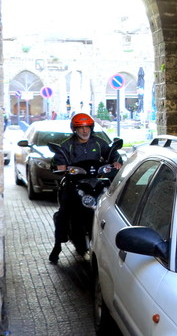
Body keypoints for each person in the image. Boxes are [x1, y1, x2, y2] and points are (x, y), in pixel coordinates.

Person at [49, 113, 123, 263]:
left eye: (87, 127)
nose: (84, 131)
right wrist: (60, 166)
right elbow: (57, 160)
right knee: (64, 212)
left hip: (95, 182)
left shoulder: (98, 143)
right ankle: (57, 246)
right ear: (74, 129)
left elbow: (112, 153)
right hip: (73, 184)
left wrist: (116, 161)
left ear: (91, 127)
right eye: (80, 128)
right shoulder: (67, 145)